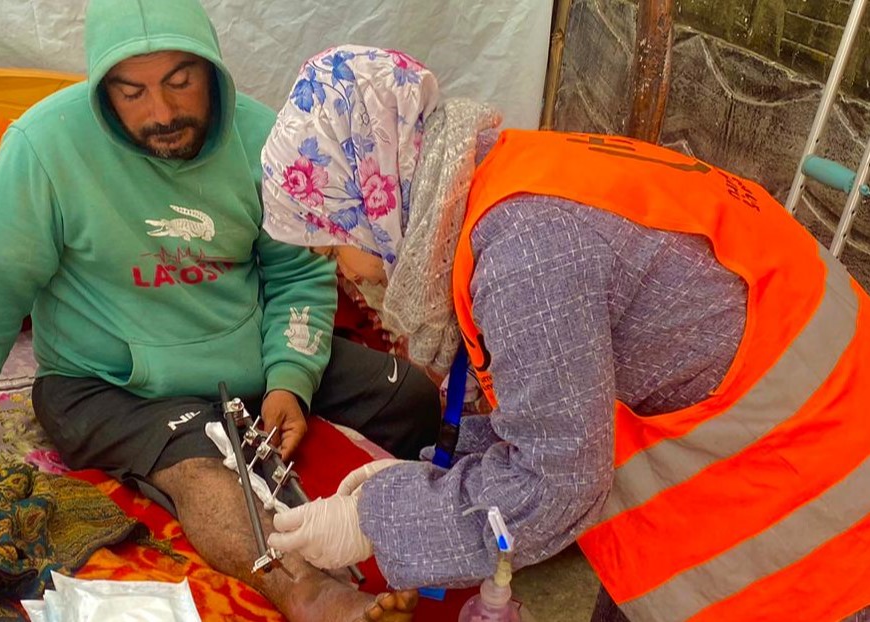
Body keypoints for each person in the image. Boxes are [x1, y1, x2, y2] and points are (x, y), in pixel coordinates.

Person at [260, 45, 870, 622]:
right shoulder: (505, 174)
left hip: (813, 503)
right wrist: (420, 481)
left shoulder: (524, 252)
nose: (335, 264)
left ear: (373, 194)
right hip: (793, 419)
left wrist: (377, 520)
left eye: (329, 239)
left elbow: (555, 482)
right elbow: (551, 400)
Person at [0, 4, 441, 620]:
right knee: (204, 471)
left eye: (181, 82)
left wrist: (290, 379)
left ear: (211, 71)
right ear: (103, 91)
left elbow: (296, 273)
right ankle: (309, 592)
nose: (162, 113)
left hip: (248, 355)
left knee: (412, 397)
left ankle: (451, 529)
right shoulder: (42, 148)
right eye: (132, 91)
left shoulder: (265, 140)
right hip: (106, 384)